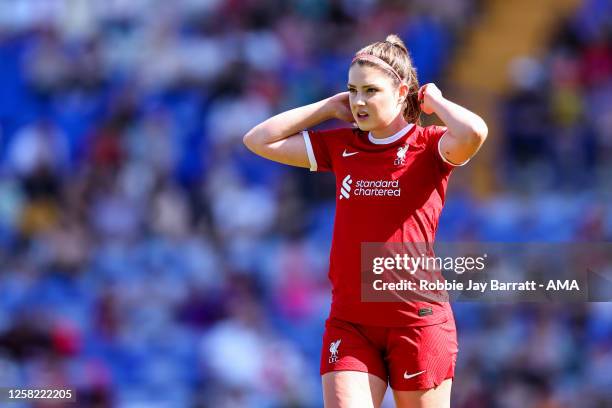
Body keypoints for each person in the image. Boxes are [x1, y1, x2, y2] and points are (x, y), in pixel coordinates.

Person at [243, 34, 487, 408]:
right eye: (352, 90)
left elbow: (473, 133)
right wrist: (327, 107)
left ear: (402, 91)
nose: (358, 101)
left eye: (370, 90)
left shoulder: (430, 145)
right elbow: (259, 140)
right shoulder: (341, 145)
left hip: (416, 319)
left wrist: (435, 101)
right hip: (351, 321)